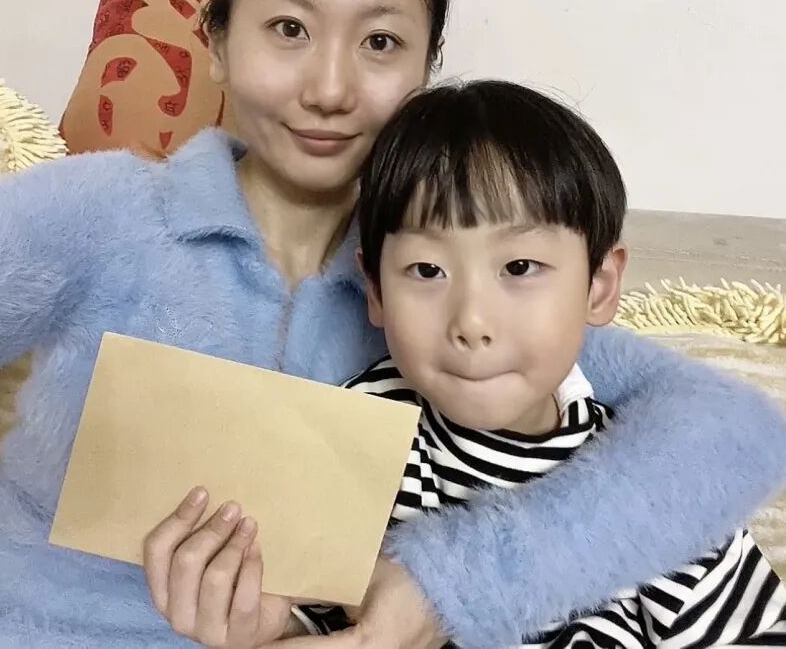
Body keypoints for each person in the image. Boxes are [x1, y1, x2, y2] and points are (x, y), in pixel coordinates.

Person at [0, 0, 782, 649]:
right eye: (289, 29)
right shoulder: (102, 212)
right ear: (215, 38)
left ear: (428, 65)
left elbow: (732, 430)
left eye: (381, 42)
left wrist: (453, 585)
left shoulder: (442, 287)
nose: (330, 89)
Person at [275, 80, 780, 645]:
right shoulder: (357, 440)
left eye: (518, 268)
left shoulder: (659, 485)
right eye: (427, 270)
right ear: (375, 290)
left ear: (599, 286)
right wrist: (266, 622)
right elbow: (306, 615)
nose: (471, 321)